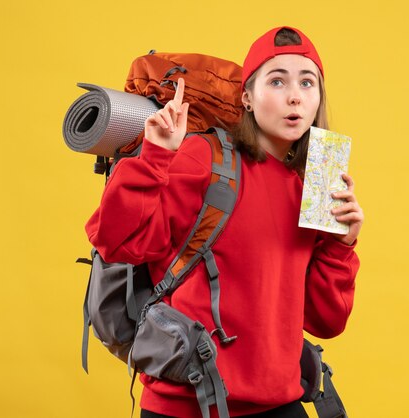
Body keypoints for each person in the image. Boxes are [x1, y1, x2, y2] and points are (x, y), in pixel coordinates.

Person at [86, 26, 364, 418]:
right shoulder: (207, 158)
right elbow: (117, 242)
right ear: (247, 98)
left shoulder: (314, 189)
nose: (295, 95)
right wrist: (154, 157)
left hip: (279, 404)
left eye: (308, 82)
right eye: (277, 80)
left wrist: (341, 244)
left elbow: (326, 320)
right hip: (187, 405)